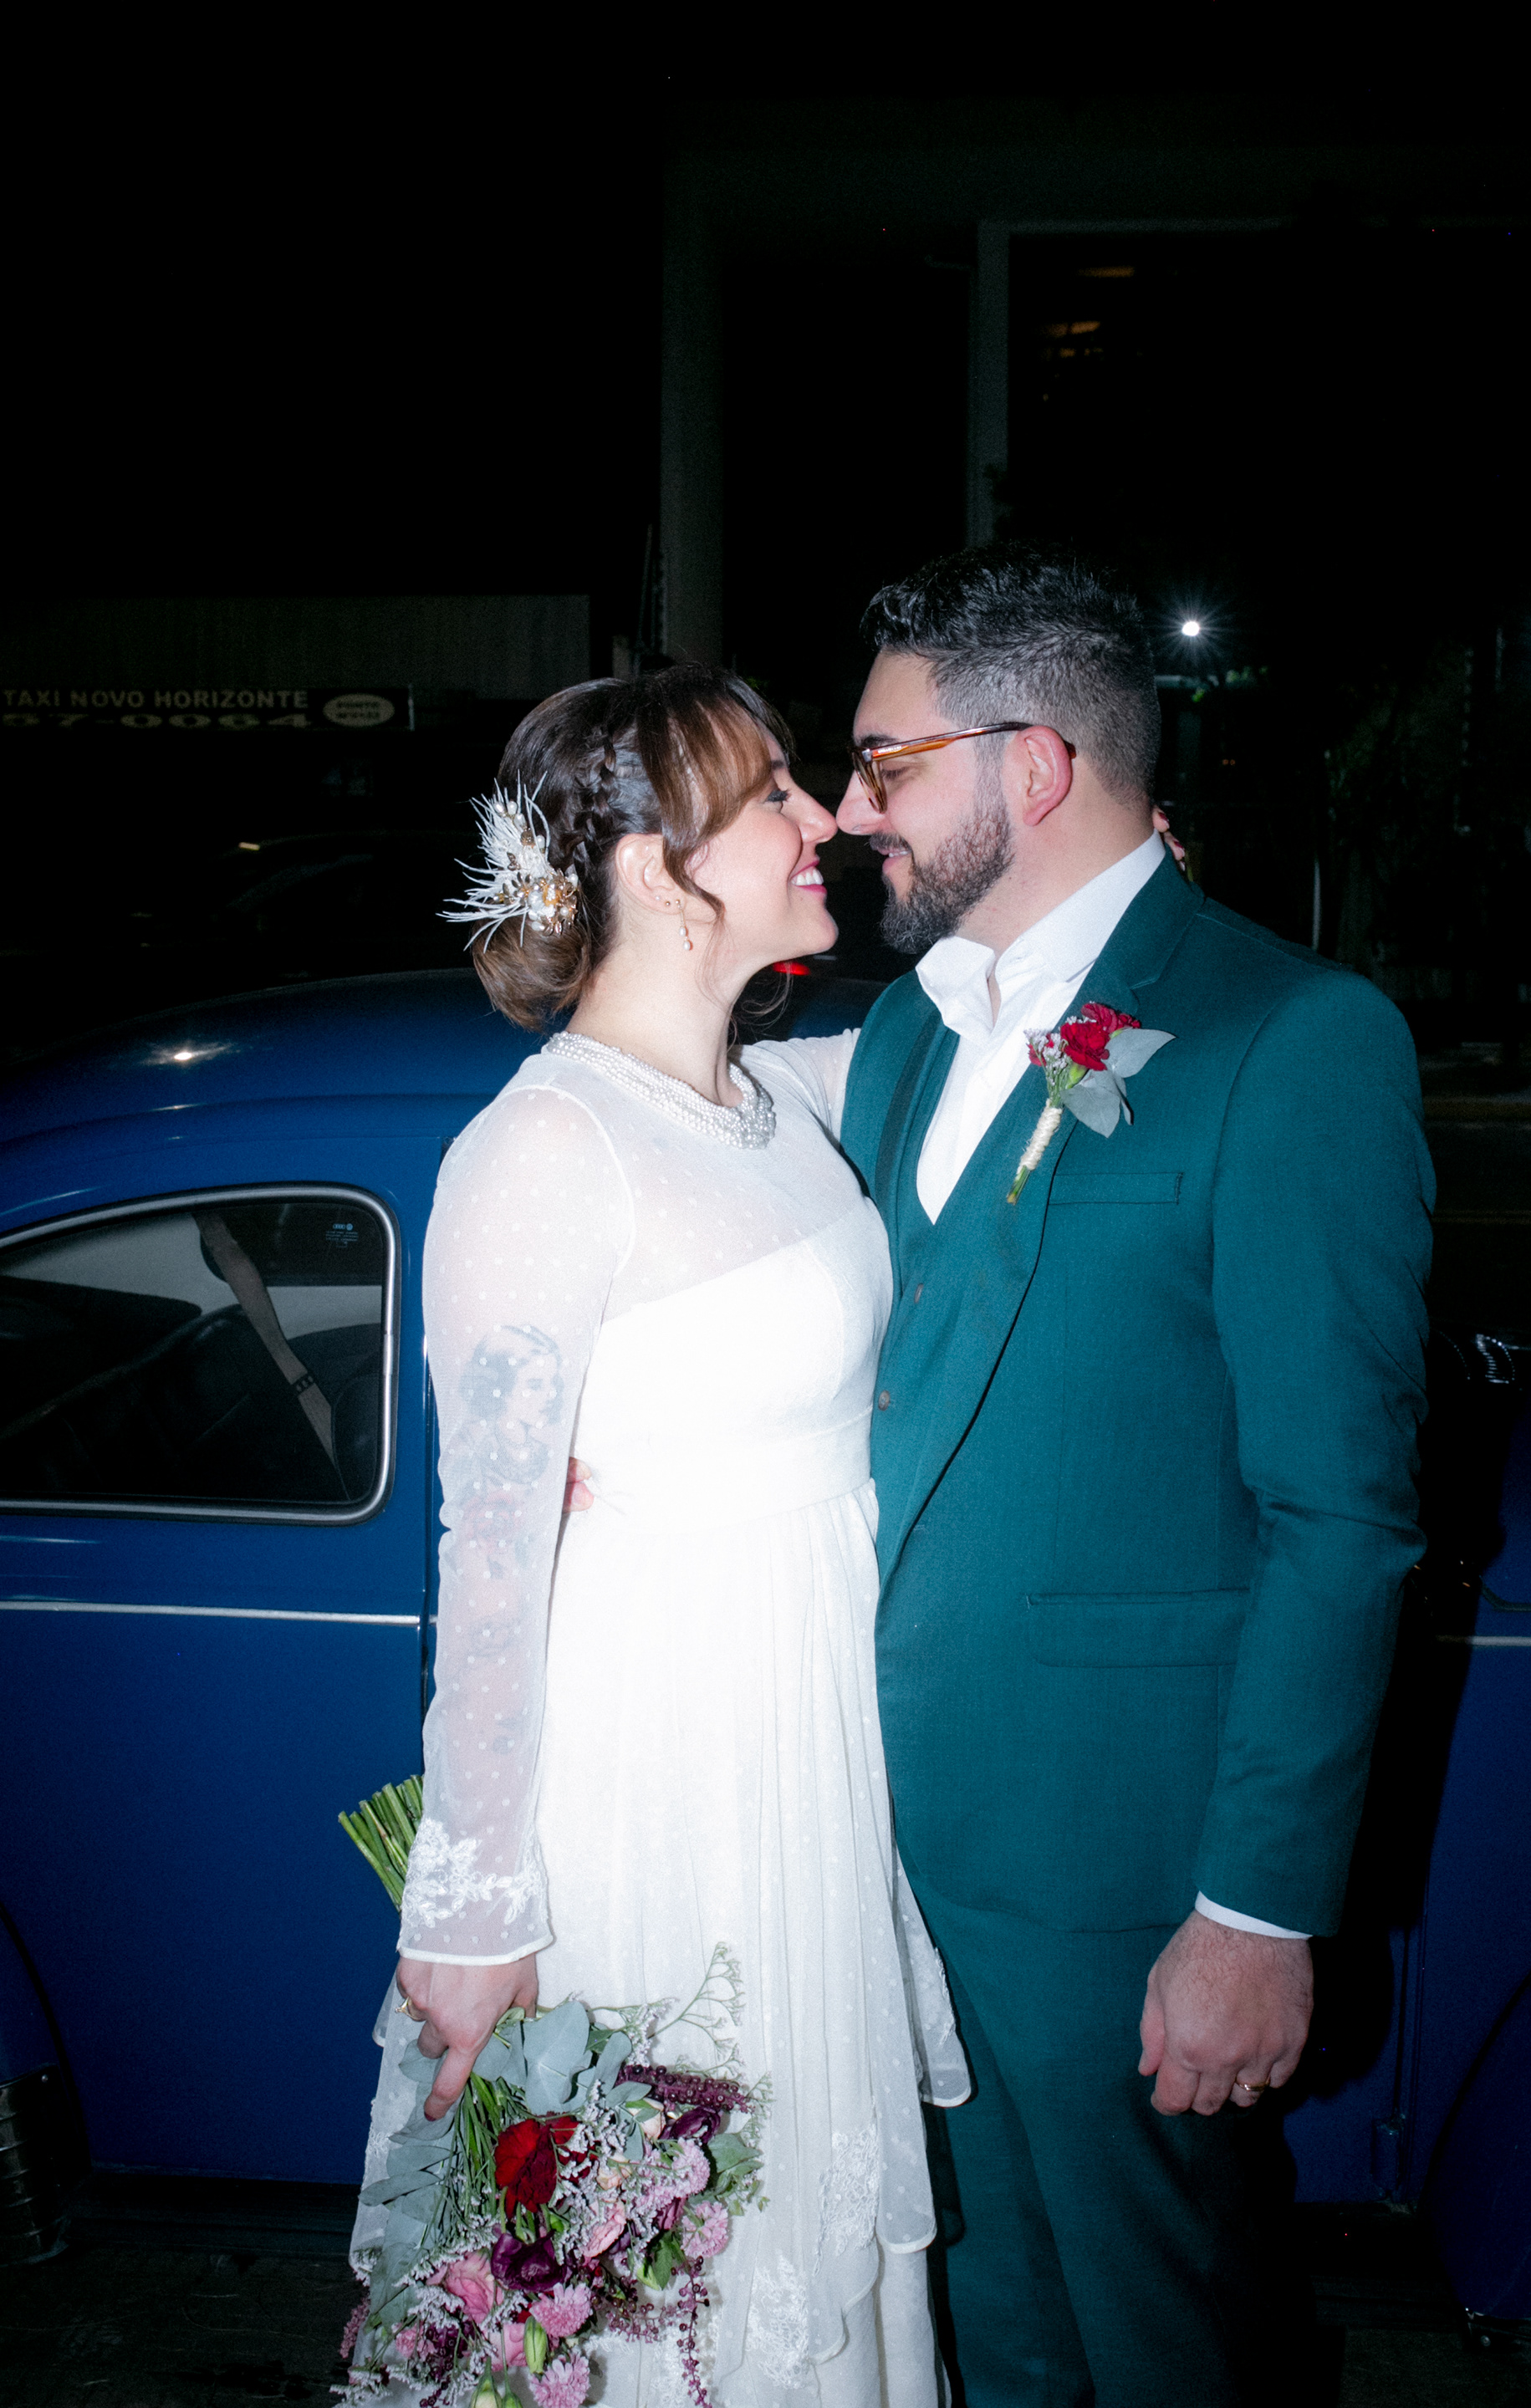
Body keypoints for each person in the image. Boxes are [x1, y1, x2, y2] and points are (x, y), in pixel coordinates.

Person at [813, 540, 1434, 2405]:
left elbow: (1340, 1519)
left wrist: (1256, 1912)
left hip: (1126, 1886)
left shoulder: (1289, 1038)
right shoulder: (918, 1031)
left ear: (1037, 768)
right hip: (884, 1856)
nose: (851, 809)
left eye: (888, 763)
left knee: (1168, 2351)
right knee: (990, 2340)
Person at [356, 666, 968, 2408]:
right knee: (652, 2294)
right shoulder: (542, 1151)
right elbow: (486, 1564)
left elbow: (1002, 1047)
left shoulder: (778, 1099)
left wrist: (1108, 940)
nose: (821, 816)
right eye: (771, 792)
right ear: (651, 868)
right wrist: (476, 1914)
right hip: (661, 1786)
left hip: (801, 1760)